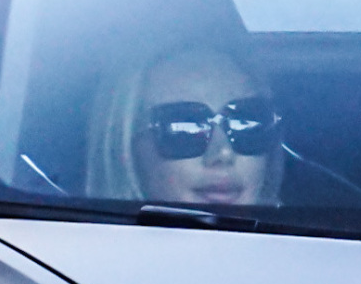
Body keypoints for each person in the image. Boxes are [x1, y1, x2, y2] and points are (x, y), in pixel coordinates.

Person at [86, 44, 284, 209]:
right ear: (126, 150)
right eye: (186, 127)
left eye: (245, 123)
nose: (223, 154)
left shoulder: (304, 250)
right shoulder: (79, 248)